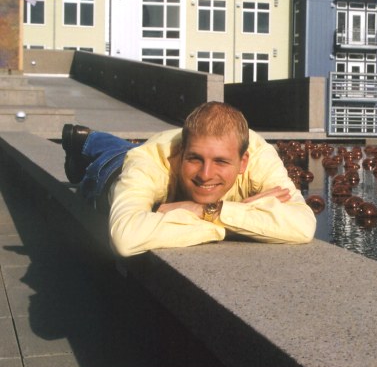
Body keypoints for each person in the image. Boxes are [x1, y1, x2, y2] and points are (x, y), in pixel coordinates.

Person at [62, 101, 316, 257]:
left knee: (126, 148)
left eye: (221, 162)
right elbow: (125, 238)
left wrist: (211, 211)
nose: (205, 174)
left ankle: (91, 139)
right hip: (114, 171)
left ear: (243, 162)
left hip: (160, 146)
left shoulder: (260, 156)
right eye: (195, 159)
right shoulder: (148, 162)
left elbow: (303, 225)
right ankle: (87, 141)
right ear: (181, 153)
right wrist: (238, 219)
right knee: (115, 158)